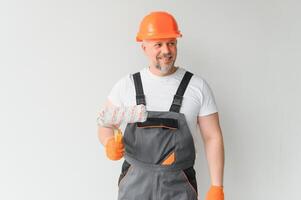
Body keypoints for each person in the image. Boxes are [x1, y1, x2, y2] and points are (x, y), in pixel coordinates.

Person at [97, 11, 225, 200]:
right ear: (144, 48)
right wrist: (108, 142)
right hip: (134, 184)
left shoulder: (197, 87)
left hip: (179, 185)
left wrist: (217, 186)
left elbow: (212, 137)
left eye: (171, 43)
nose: (166, 50)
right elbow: (105, 124)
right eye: (158, 44)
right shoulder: (127, 85)